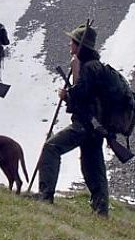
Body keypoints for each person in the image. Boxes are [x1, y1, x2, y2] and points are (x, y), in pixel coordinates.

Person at [35, 20, 109, 216]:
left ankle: (45, 196)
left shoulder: (88, 68)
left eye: (72, 42)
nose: (69, 45)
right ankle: (100, 211)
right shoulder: (97, 67)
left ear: (80, 45)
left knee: (51, 148)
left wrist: (72, 83)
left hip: (85, 125)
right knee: (93, 167)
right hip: (95, 127)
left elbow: (82, 95)